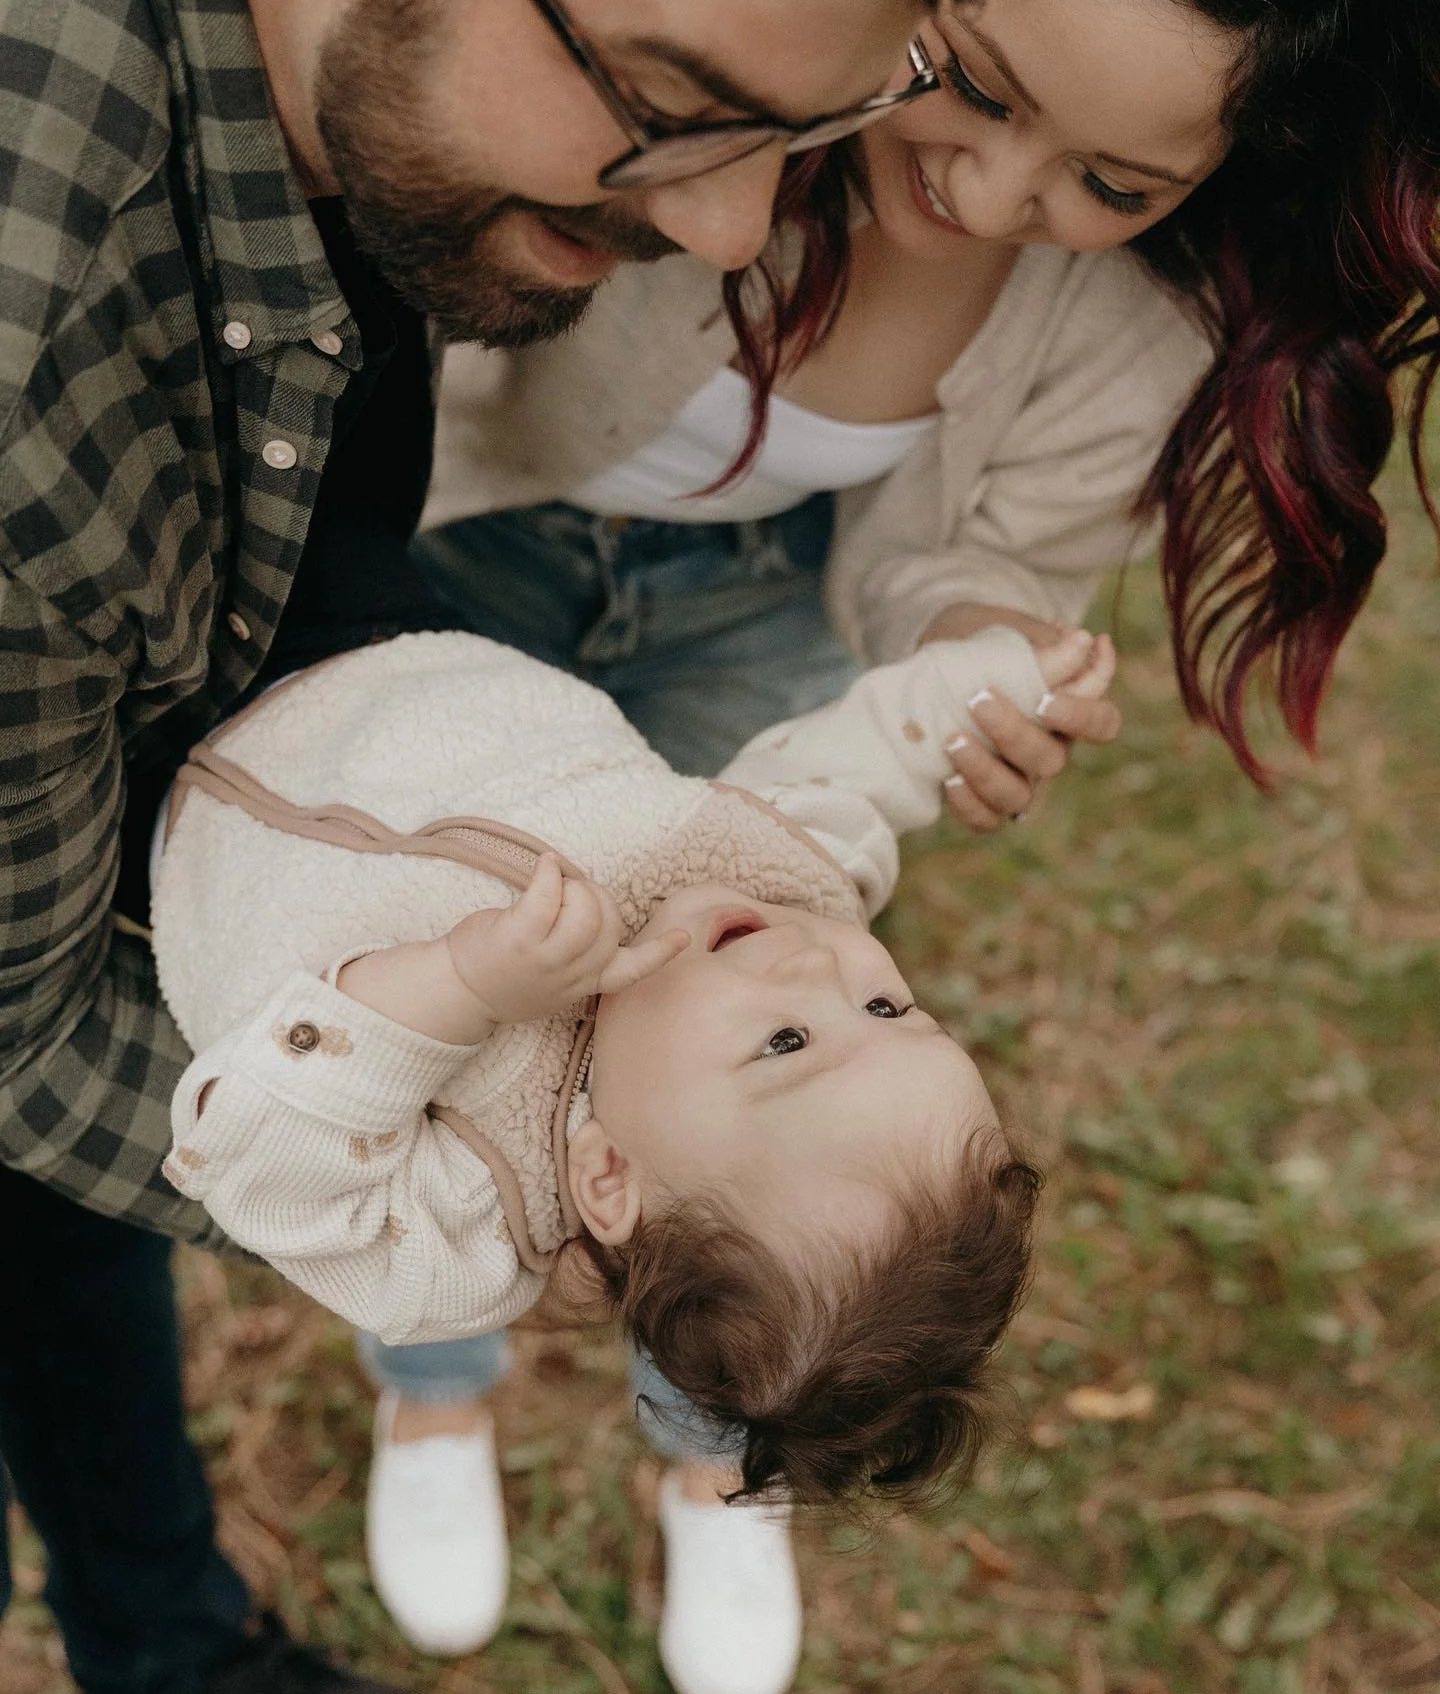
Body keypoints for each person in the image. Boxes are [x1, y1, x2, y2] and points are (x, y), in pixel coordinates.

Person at [0, 0, 1052, 1694]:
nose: (728, 234)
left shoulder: (346, 77)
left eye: (820, 120)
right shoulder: (36, 392)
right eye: (671, 103)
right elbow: (30, 1029)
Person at [416, 0, 1440, 1694]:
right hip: (451, 562)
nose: (989, 187)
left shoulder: (1137, 327)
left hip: (751, 637)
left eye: (1113, 179)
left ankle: (731, 1438)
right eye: (974, 84)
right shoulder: (737, 77)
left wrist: (976, 646)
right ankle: (428, 1396)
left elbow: (954, 558)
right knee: (460, 1056)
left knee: (731, 1130)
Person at [153, 621, 1083, 1499]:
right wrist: (988, 680)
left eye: (788, 1042)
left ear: (607, 1174)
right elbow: (861, 766)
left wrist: (461, 988)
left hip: (174, 811)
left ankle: (460, 1416)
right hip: (391, 645)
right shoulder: (777, 884)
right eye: (888, 1006)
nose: (823, 957)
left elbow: (260, 1160)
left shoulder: (472, 1227)